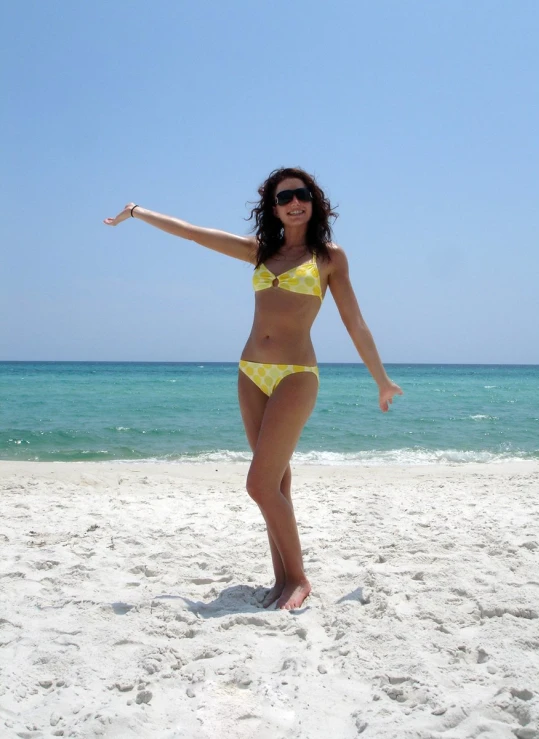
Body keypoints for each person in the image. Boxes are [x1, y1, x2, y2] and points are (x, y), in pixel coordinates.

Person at [104, 167, 403, 610]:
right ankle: (281, 578)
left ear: (314, 201)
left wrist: (381, 379)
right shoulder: (260, 252)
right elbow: (193, 234)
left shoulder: (330, 257)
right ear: (274, 207)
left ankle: (299, 579)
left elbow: (353, 322)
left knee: (259, 484)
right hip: (251, 373)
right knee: (276, 484)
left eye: (301, 194)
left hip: (296, 375)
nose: (294, 202)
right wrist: (137, 212)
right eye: (285, 197)